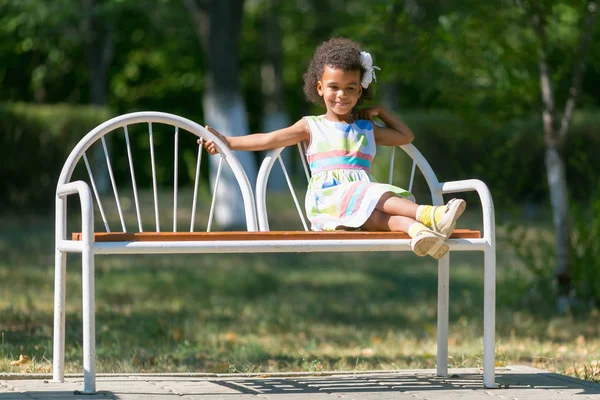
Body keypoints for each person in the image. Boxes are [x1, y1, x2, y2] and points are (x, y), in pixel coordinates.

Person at [202, 37, 465, 259]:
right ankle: (429, 214)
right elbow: (268, 139)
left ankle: (419, 233)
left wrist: (380, 111)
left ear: (360, 92)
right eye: (334, 87)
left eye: (351, 88)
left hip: (361, 205)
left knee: (379, 219)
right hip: (330, 201)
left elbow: (405, 136)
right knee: (374, 195)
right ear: (320, 88)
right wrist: (228, 142)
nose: (342, 94)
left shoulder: (365, 129)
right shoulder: (311, 126)